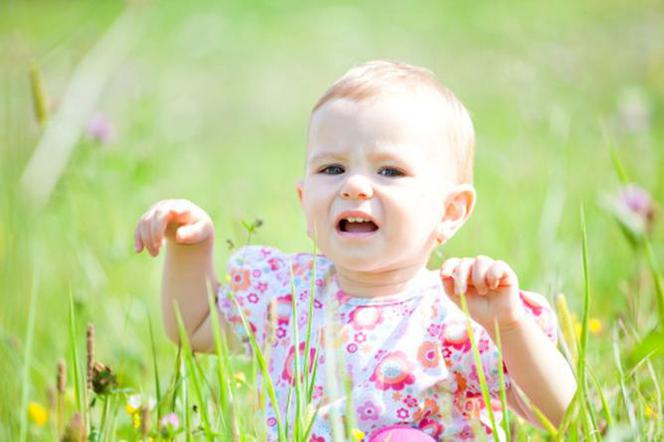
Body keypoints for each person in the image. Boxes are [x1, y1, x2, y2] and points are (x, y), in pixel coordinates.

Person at [134, 60, 576, 441]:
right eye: (332, 168)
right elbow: (193, 328)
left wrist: (509, 325)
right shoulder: (288, 297)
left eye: (390, 170)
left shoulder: (458, 314)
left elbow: (562, 414)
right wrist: (192, 248)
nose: (355, 185)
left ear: (451, 211)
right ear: (303, 197)